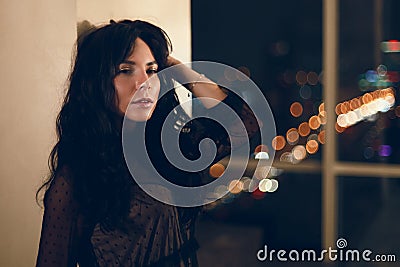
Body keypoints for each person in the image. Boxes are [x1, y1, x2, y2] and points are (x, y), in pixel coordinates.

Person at [36, 19, 259, 266]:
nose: (144, 83)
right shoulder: (76, 179)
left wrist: (180, 70)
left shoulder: (167, 150)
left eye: (152, 71)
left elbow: (244, 122)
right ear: (96, 82)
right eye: (126, 69)